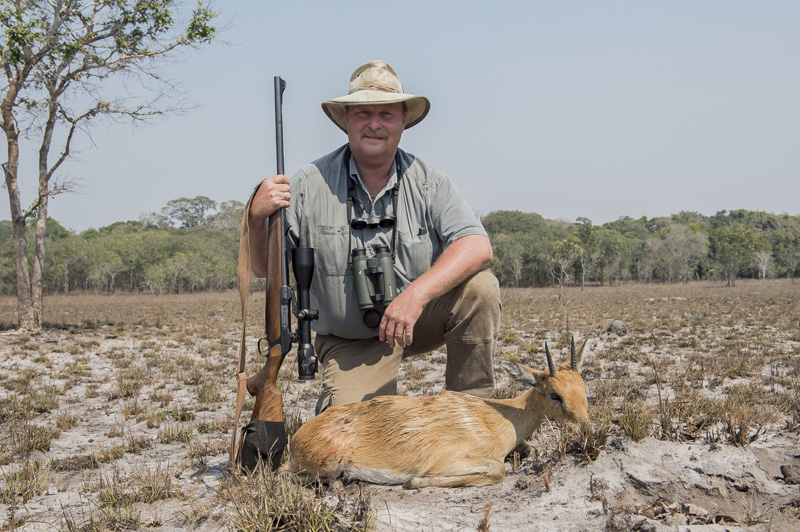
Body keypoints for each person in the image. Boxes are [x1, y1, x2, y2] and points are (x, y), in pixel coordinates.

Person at [247, 60, 501, 414]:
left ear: (403, 122)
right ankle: (340, 405)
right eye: (363, 112)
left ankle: (474, 414)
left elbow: (477, 244)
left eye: (386, 114)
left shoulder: (430, 182)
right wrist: (257, 220)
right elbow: (263, 268)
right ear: (346, 120)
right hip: (350, 341)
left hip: (416, 320)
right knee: (350, 442)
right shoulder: (307, 183)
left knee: (481, 288)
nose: (374, 124)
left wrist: (414, 297)